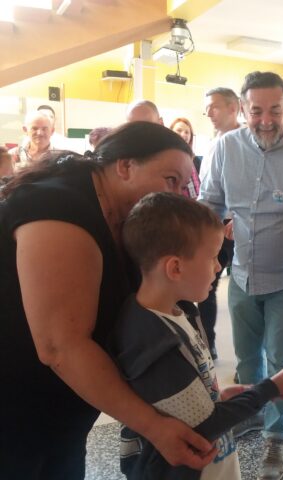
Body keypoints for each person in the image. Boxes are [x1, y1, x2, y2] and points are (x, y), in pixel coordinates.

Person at [0, 122, 217, 480]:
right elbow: (60, 347)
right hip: (14, 413)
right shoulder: (58, 207)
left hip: (59, 414)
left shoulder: (124, 219)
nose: (178, 195)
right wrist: (154, 427)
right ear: (126, 166)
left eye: (183, 186)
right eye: (170, 180)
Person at [199, 71, 283, 480]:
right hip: (241, 275)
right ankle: (251, 414)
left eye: (275, 110)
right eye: (256, 111)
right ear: (243, 109)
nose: (266, 120)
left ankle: (277, 438)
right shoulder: (225, 148)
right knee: (246, 358)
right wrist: (202, 256)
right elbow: (209, 204)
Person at [113, 192, 283, 480]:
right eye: (212, 257)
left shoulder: (179, 312)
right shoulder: (152, 342)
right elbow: (205, 424)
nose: (219, 266)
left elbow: (184, 405)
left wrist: (217, 398)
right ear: (175, 268)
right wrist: (268, 389)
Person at [198, 86, 242, 360]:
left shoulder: (247, 142)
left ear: (233, 108)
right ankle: (207, 342)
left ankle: (247, 355)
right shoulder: (212, 143)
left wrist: (241, 217)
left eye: (214, 107)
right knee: (207, 284)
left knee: (243, 289)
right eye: (207, 109)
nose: (209, 113)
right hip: (213, 223)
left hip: (239, 225)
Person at [170, 116, 201, 199]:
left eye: (187, 132)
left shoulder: (194, 159)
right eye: (179, 130)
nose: (183, 134)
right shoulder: (166, 159)